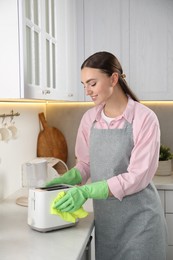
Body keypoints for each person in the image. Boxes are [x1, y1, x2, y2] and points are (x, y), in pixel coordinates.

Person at [46, 51, 167, 260]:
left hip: (141, 224)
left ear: (113, 78)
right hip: (108, 225)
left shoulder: (144, 118)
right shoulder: (89, 119)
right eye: (84, 85)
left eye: (92, 83)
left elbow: (138, 176)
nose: (87, 91)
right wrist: (68, 179)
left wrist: (86, 191)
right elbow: (85, 164)